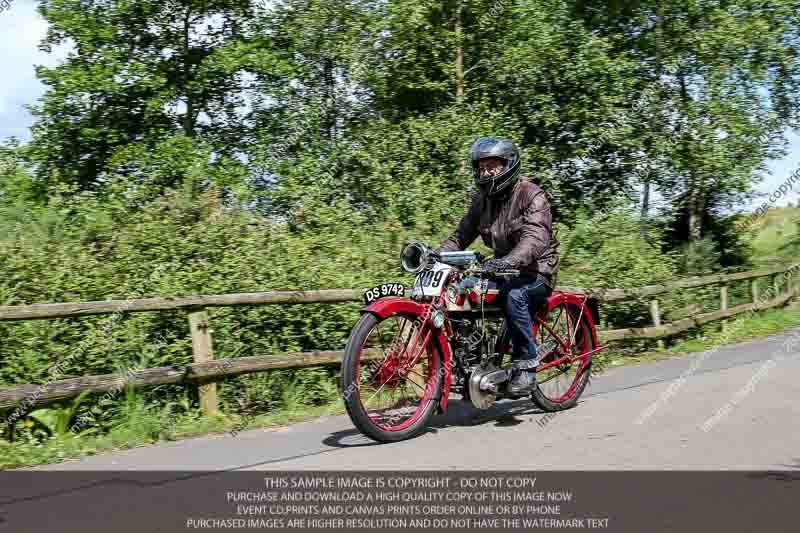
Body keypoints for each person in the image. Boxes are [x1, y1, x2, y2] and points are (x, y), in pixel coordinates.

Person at [436, 137, 560, 397]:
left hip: (536, 272)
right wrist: (435, 255)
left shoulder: (531, 195)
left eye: (493, 165)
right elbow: (460, 236)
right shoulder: (482, 201)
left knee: (515, 295)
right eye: (481, 167)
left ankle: (526, 367)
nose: (486, 172)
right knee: (458, 292)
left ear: (509, 165)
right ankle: (468, 360)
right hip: (502, 270)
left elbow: (534, 240)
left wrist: (508, 261)